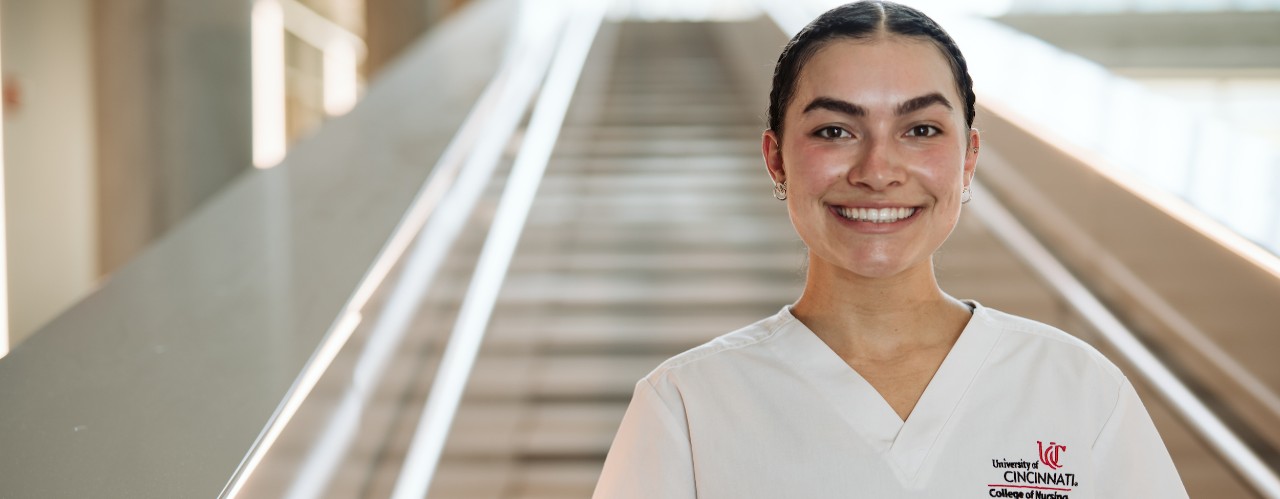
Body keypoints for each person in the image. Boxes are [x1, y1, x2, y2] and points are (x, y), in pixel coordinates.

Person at [592, 1, 1189, 497]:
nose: (878, 170)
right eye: (835, 131)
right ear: (777, 159)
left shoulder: (1077, 388)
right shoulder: (687, 404)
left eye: (921, 130)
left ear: (969, 159)